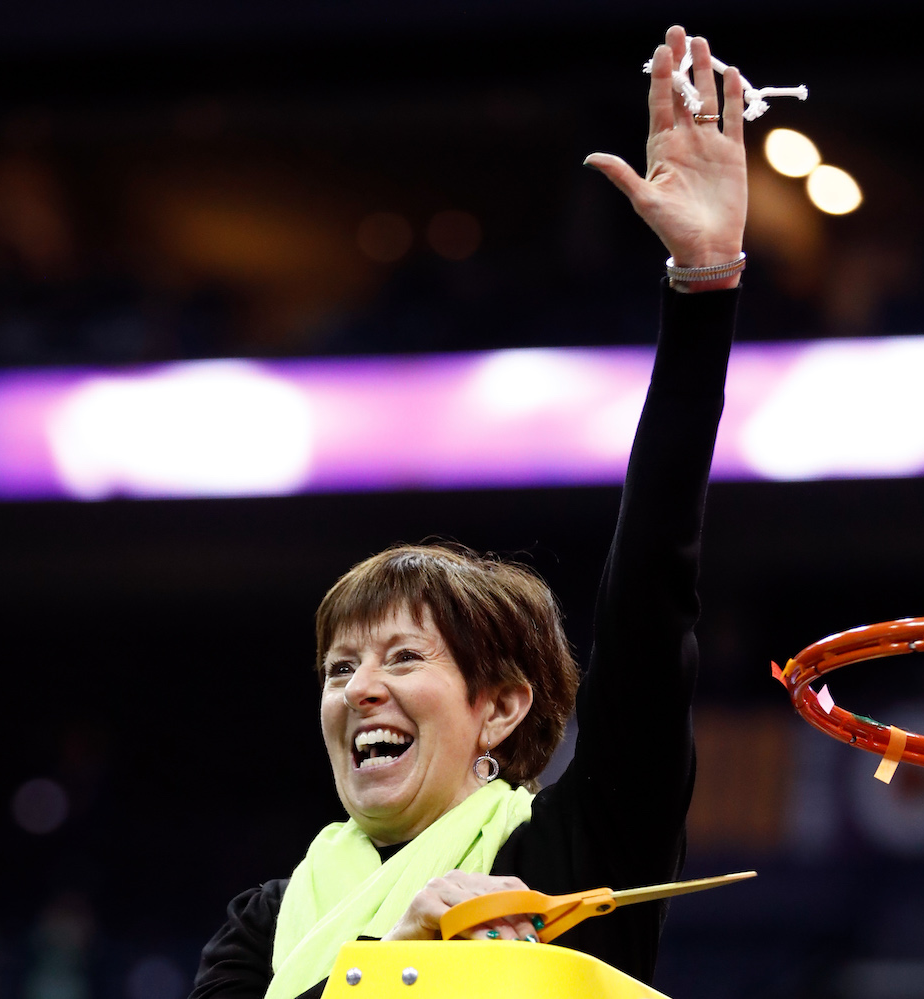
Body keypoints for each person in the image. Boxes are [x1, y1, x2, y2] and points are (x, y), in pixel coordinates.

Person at [192, 24, 747, 999]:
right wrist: (398, 965)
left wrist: (702, 286)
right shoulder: (272, 920)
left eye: (402, 658)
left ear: (501, 706)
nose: (359, 689)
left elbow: (656, 587)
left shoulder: (586, 842)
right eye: (340, 668)